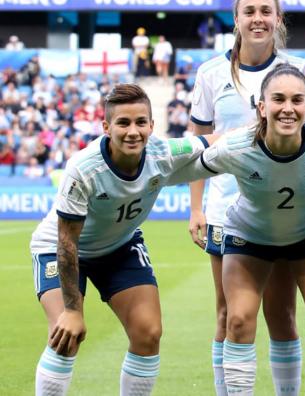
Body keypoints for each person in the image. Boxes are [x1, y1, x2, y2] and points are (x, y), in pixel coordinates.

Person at [187, 65, 305, 395]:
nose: (288, 108)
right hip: (250, 235)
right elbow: (187, 164)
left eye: (297, 100)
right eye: (279, 99)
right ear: (261, 107)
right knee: (238, 320)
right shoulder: (236, 147)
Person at [189, 0, 305, 396]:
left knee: (281, 314)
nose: (258, 19)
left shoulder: (297, 70)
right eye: (249, 11)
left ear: (278, 19)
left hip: (286, 210)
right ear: (236, 20)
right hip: (227, 210)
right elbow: (198, 145)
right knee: (228, 315)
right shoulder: (211, 74)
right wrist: (196, 208)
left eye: (266, 11)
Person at [30, 84, 211, 396]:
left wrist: (264, 130)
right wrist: (73, 311)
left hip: (119, 246)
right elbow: (67, 243)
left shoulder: (164, 152)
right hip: (62, 248)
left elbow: (213, 141)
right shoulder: (83, 168)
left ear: (152, 126)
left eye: (141, 122)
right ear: (106, 127)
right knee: (65, 337)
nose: (133, 132)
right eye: (123, 123)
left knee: (148, 333)